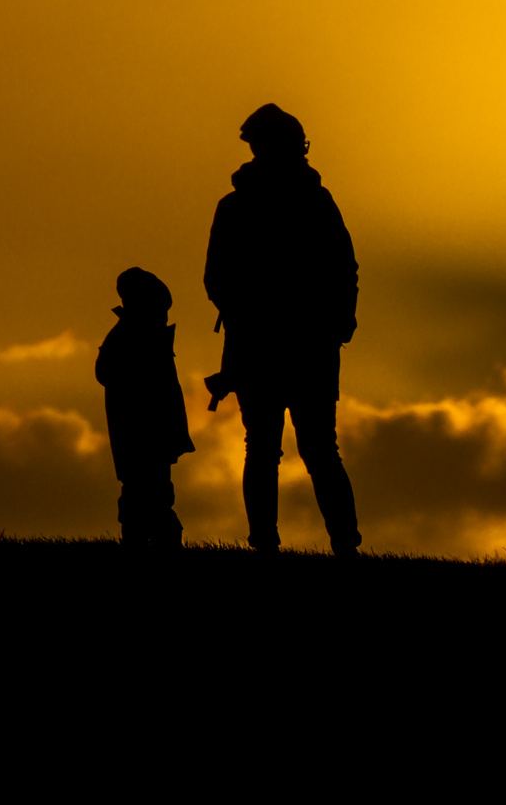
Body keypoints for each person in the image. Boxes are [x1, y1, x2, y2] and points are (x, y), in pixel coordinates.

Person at [204, 103, 361, 557]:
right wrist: (336, 323)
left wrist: (337, 323)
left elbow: (218, 279)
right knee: (309, 449)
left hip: (278, 346)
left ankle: (277, 547)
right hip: (297, 345)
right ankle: (337, 548)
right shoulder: (311, 203)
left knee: (280, 449)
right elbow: (343, 269)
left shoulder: (241, 206)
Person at [95, 267, 196, 548]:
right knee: (146, 493)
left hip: (152, 434)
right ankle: (150, 542)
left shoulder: (143, 336)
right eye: (159, 309)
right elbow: (106, 373)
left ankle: (147, 540)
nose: (164, 317)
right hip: (140, 434)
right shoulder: (130, 337)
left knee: (153, 492)